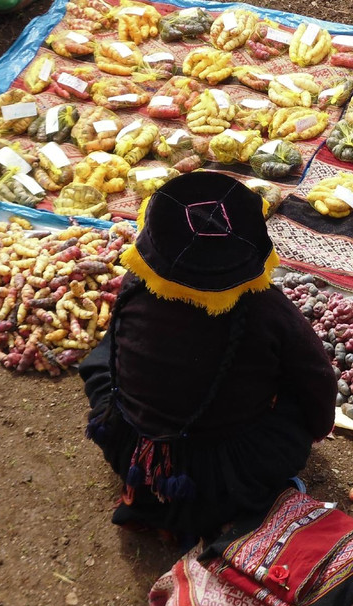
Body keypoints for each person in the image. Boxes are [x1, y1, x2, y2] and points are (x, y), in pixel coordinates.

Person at [80, 171, 337, 546]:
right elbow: (318, 382)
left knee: (107, 351)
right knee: (296, 392)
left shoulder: (137, 284)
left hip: (131, 448)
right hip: (229, 474)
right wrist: (312, 427)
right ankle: (222, 505)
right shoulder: (266, 309)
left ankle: (154, 491)